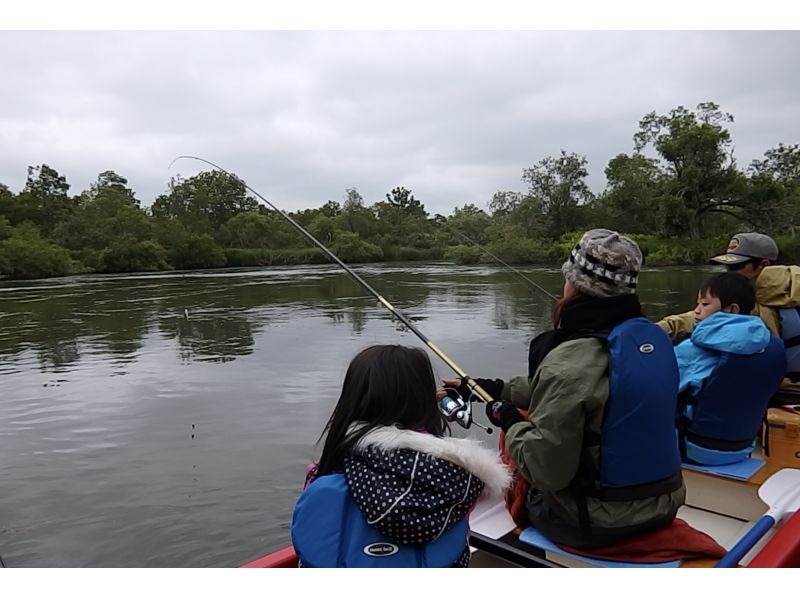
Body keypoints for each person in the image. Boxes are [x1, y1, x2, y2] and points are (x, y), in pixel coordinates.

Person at [444, 229, 685, 549]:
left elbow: (546, 471)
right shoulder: (649, 342)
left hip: (594, 521)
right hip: (665, 504)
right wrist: (493, 389)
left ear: (574, 284)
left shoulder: (568, 362)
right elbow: (587, 390)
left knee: (517, 443)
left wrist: (509, 421)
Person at [290, 344, 510, 568]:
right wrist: (426, 421)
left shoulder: (330, 472)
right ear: (423, 401)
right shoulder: (460, 477)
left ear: (352, 399)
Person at [656, 232, 800, 398]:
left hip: (782, 392)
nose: (728, 273)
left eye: (735, 267)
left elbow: (708, 318)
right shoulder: (790, 287)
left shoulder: (755, 301)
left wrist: (657, 329)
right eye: (728, 267)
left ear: (763, 265)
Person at [673, 272, 786, 465]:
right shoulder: (771, 345)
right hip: (743, 446)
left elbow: (655, 389)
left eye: (705, 304)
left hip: (695, 448)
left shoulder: (692, 350)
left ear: (731, 309)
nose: (696, 311)